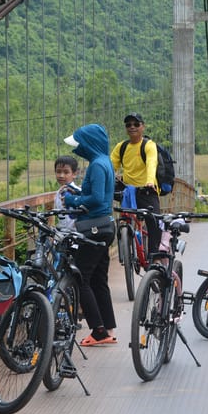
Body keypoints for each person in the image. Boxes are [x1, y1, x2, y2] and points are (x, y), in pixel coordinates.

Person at [62, 124, 118, 346]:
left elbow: (98, 199)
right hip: (105, 227)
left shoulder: (96, 165)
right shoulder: (105, 162)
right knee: (98, 279)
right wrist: (79, 193)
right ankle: (107, 327)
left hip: (94, 229)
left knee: (80, 277)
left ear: (89, 143)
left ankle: (98, 330)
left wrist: (73, 200)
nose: (78, 149)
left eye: (80, 144)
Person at [111, 112, 162, 258]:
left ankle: (154, 257)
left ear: (143, 127)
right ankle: (126, 239)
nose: (132, 127)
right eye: (128, 125)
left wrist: (150, 181)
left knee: (154, 223)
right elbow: (110, 167)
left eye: (136, 124)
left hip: (147, 189)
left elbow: (152, 163)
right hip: (128, 190)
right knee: (123, 218)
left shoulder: (148, 145)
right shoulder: (121, 147)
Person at [52, 155, 79, 232]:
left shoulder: (77, 192)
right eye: (58, 172)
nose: (61, 175)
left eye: (66, 172)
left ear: (74, 174)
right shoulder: (59, 192)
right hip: (63, 233)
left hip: (76, 234)